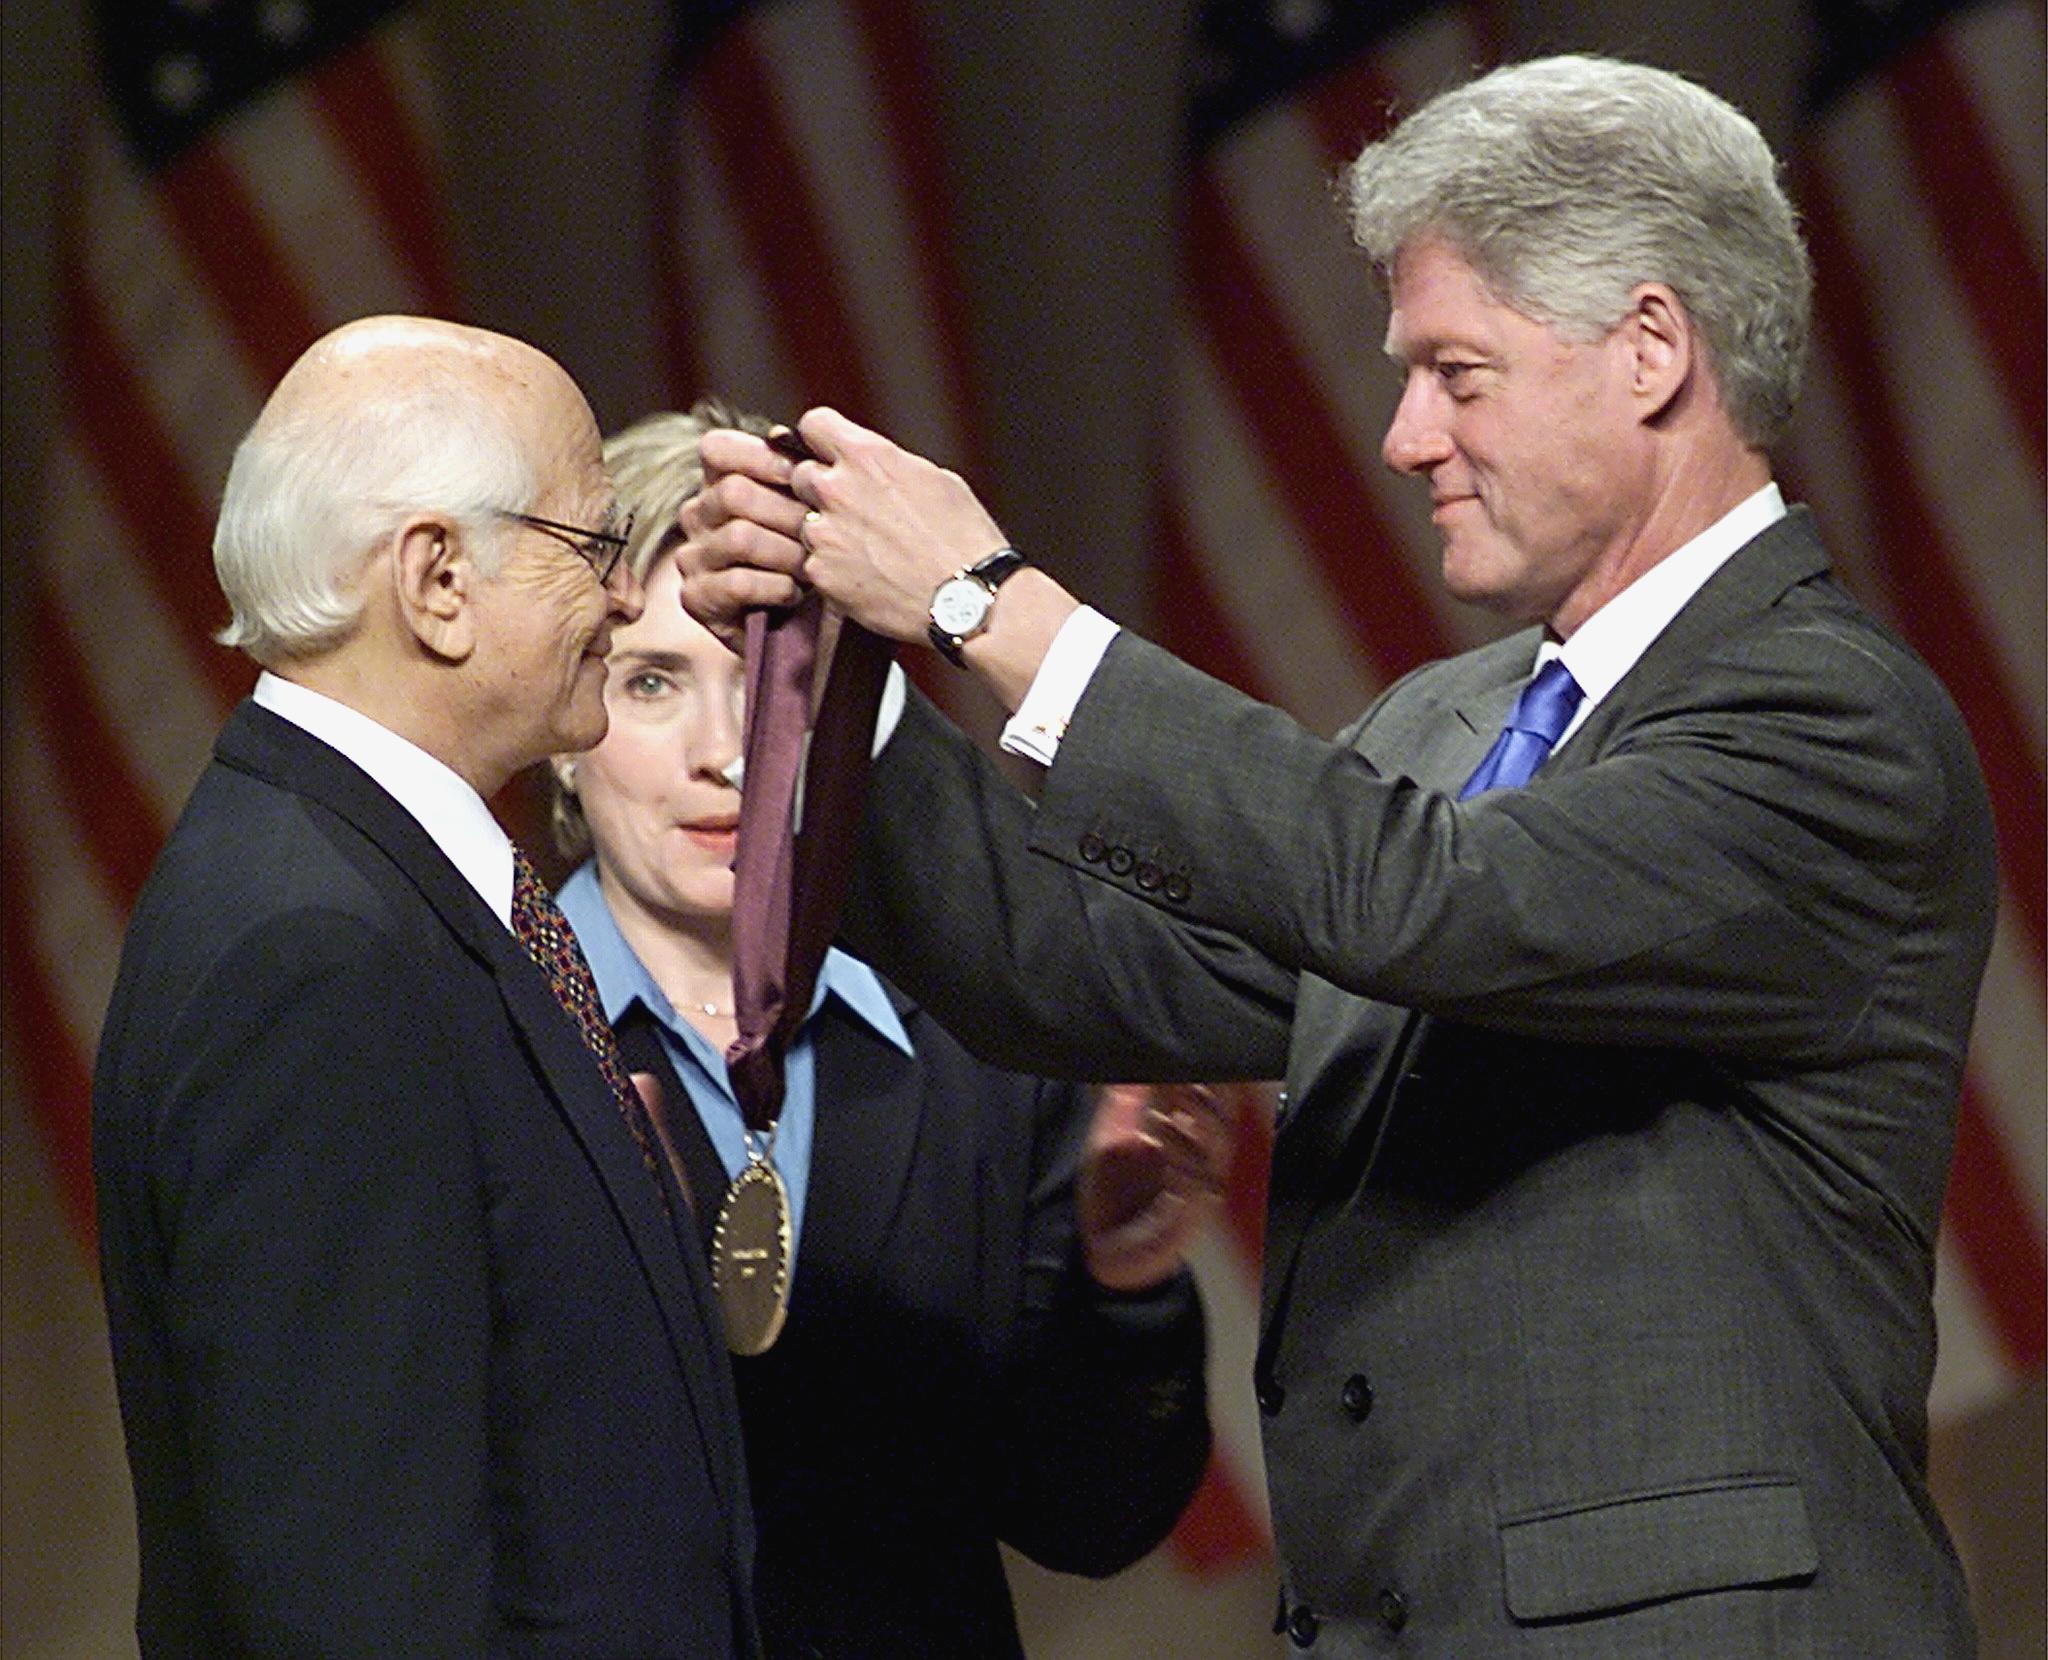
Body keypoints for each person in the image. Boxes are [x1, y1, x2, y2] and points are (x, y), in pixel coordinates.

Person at [672, 55, 1998, 1659]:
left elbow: (1436, 905)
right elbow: (1075, 967)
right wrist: (838, 668)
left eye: (1456, 372)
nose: (1399, 438)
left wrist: (990, 606)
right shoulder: (1449, 723)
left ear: (1652, 351)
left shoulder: (1828, 722)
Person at [94, 317, 758, 1657]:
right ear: (438, 579)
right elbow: (357, 1594)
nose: (628, 598)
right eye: (592, 551)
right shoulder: (314, 954)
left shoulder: (364, 883)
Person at [542, 401, 1217, 1659]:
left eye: (768, 685)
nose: (722, 756)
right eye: (649, 680)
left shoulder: (987, 1031)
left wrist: (1122, 1293)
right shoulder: (489, 1029)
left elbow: (1089, 1520)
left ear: (837, 717)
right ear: (566, 731)